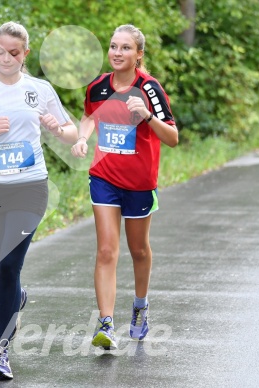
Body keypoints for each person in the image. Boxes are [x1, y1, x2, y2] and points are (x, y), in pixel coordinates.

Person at [0, 21, 78, 380]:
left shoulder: (39, 89)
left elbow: (70, 133)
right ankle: (16, 297)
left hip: (30, 187)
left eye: (13, 53)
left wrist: (58, 129)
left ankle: (0, 352)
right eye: (0, 52)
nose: (6, 59)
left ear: (24, 54)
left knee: (9, 267)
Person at [71, 24, 178, 350]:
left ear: (138, 54)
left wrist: (146, 116)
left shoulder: (150, 89)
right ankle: (106, 322)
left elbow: (172, 138)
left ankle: (140, 306)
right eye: (114, 46)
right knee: (106, 250)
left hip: (140, 183)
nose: (117, 53)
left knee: (139, 250)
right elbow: (90, 117)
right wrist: (81, 137)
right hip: (104, 176)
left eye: (125, 48)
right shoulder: (98, 86)